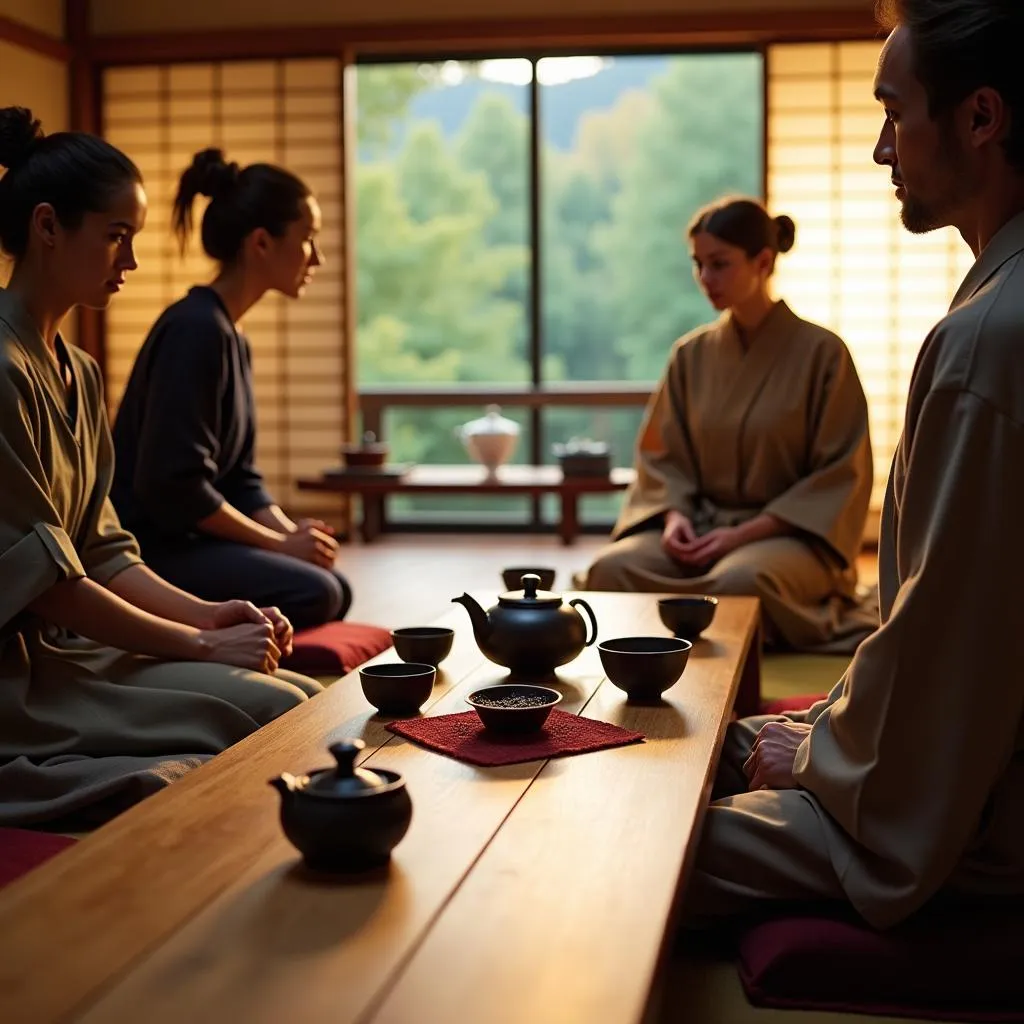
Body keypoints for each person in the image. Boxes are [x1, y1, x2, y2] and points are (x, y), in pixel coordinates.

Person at [686, 0, 1024, 930]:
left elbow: (958, 637)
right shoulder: (997, 304)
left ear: (980, 117)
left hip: (978, 810)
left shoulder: (990, 337)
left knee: (647, 838)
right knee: (699, 744)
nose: (882, 149)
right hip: (943, 736)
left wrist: (828, 755)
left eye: (893, 110)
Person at [0, 108, 322, 827]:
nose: (131, 261)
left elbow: (106, 551)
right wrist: (201, 643)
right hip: (19, 678)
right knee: (269, 716)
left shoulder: (77, 371)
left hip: (77, 649)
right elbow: (50, 584)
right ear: (47, 227)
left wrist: (213, 613)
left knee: (301, 701)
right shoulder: (3, 369)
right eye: (116, 237)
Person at [583, 196, 875, 653]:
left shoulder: (823, 354)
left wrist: (741, 535)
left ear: (762, 262)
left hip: (787, 536)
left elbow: (839, 475)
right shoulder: (691, 354)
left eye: (719, 264)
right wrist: (675, 517)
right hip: (699, 526)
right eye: (698, 264)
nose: (705, 278)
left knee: (739, 583)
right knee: (611, 569)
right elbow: (662, 458)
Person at [110, 148, 351, 633]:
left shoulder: (229, 334)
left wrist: (291, 533)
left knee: (331, 583)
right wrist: (277, 546)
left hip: (196, 540)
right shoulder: (196, 330)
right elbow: (175, 487)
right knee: (318, 591)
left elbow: (239, 477)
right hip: (154, 550)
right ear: (261, 242)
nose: (317, 257)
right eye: (308, 239)